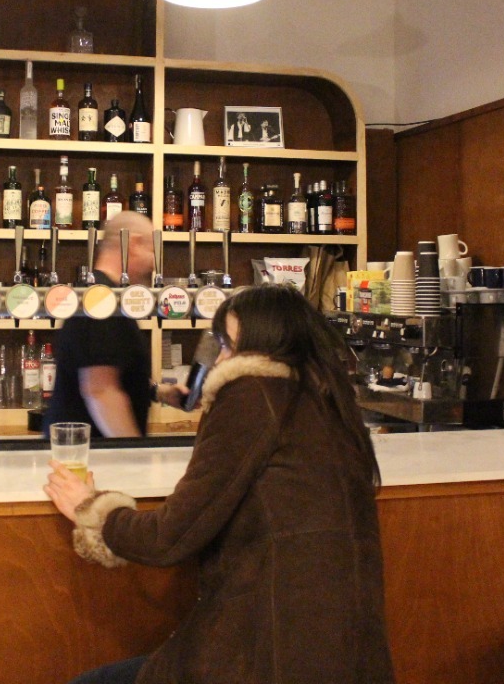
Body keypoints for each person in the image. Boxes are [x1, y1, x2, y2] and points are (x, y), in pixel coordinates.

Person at [45, 284, 396, 684]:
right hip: (343, 656)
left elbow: (169, 538)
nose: (219, 361)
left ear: (256, 348)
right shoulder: (330, 403)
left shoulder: (250, 394)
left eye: (225, 346)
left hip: (268, 657)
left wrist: (90, 508)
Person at [41, 211, 185, 438]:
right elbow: (100, 391)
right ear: (133, 244)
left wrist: (159, 392)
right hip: (89, 459)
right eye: (152, 250)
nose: (153, 262)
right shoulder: (102, 301)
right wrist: (134, 457)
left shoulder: (106, 297)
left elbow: (106, 371)